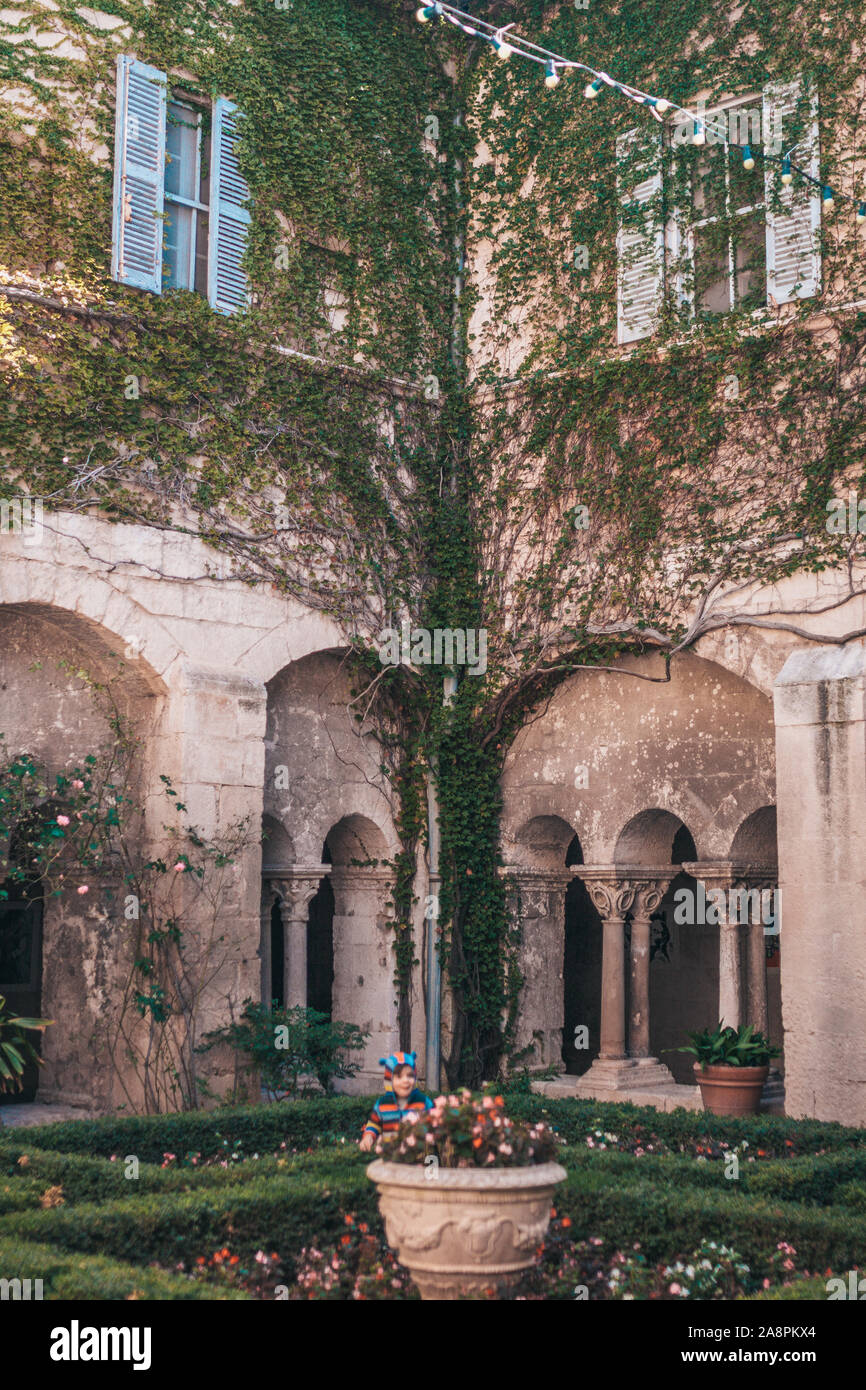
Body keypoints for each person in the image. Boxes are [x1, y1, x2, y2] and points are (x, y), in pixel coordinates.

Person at [359, 1050, 433, 1152]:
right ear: (390, 1080)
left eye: (410, 1075)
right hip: (391, 1157)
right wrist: (368, 1137)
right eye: (399, 1077)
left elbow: (434, 1123)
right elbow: (374, 1124)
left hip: (417, 1158)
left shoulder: (423, 1102)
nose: (405, 1080)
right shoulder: (382, 1104)